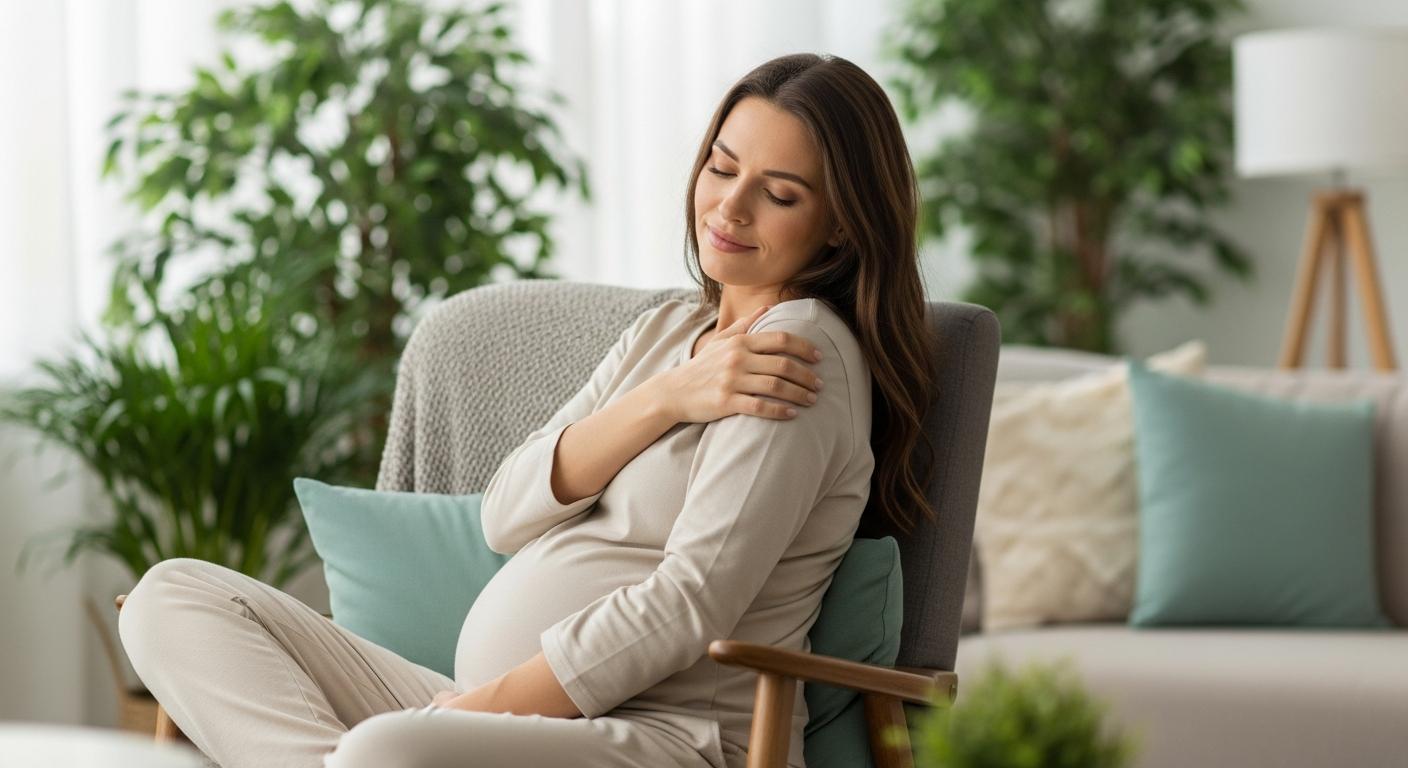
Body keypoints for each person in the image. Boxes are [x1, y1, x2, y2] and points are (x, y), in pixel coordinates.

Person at [118, 51, 939, 768]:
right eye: (721, 169)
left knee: (382, 752)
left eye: (780, 193)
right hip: (498, 718)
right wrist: (667, 396)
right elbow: (506, 515)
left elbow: (692, 601)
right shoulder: (671, 331)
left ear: (838, 229)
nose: (729, 208)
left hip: (665, 738)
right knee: (174, 596)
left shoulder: (798, 356)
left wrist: (469, 714)